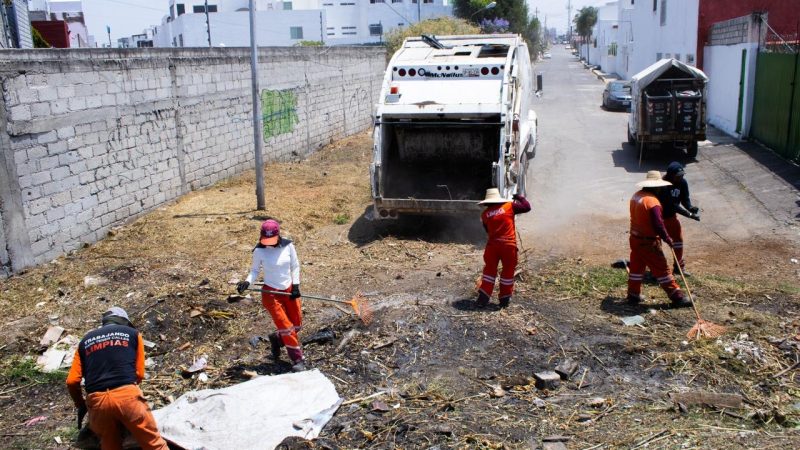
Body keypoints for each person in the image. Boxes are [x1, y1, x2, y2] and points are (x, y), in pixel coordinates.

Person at [66, 307, 168, 450]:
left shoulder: (84, 342)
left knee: (110, 446)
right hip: (127, 396)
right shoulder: (132, 334)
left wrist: (80, 404)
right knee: (154, 444)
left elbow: (71, 381)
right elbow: (139, 373)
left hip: (97, 402)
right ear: (124, 322)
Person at [237, 219, 305, 372]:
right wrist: (247, 282)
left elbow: (295, 266)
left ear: (278, 236)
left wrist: (295, 285)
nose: (269, 243)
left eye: (272, 240)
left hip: (289, 290)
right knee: (287, 327)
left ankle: (276, 338)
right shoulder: (259, 251)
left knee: (296, 325)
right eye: (266, 240)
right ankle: (297, 359)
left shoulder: (288, 246)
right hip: (271, 293)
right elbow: (254, 271)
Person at [627, 171, 691, 308]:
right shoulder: (653, 202)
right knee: (662, 269)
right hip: (648, 241)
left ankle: (633, 294)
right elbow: (658, 224)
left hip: (635, 238)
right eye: (660, 187)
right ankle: (677, 296)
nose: (662, 189)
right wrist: (667, 238)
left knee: (636, 268)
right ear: (656, 187)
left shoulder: (636, 196)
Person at [476, 188, 531, 308]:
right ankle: (504, 300)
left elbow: (488, 231)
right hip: (508, 246)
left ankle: (483, 298)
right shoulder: (509, 206)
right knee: (507, 272)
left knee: (489, 272)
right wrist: (519, 197)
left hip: (492, 247)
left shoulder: (485, 215)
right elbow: (527, 207)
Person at [658, 161, 700, 276]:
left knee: (678, 241)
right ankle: (657, 270)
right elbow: (673, 205)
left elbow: (684, 199)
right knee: (657, 243)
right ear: (671, 175)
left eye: (682, 175)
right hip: (659, 218)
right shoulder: (662, 185)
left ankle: (678, 268)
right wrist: (689, 215)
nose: (681, 178)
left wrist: (690, 207)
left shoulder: (682, 182)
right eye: (678, 176)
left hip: (671, 217)